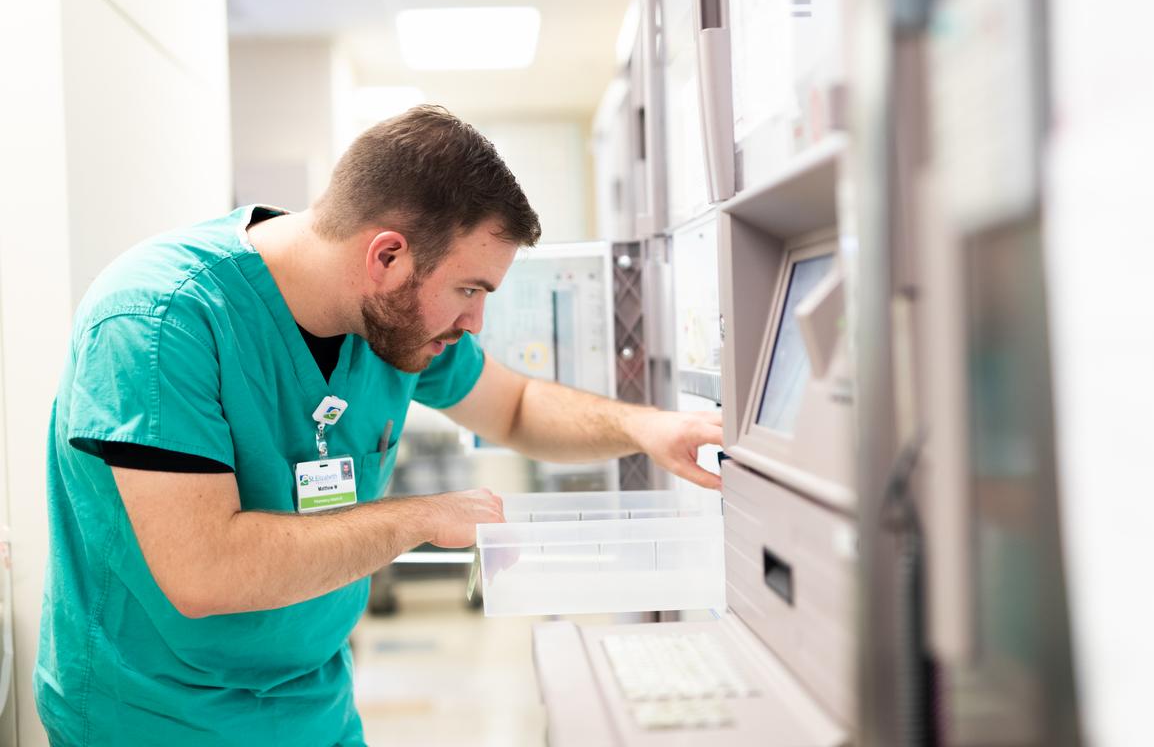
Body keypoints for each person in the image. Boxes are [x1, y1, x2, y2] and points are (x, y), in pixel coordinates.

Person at [34, 105, 723, 745]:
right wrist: (417, 517)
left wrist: (650, 428)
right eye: (470, 290)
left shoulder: (388, 330)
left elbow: (512, 407)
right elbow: (206, 571)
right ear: (387, 257)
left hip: (314, 706)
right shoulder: (160, 322)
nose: (476, 321)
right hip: (156, 720)